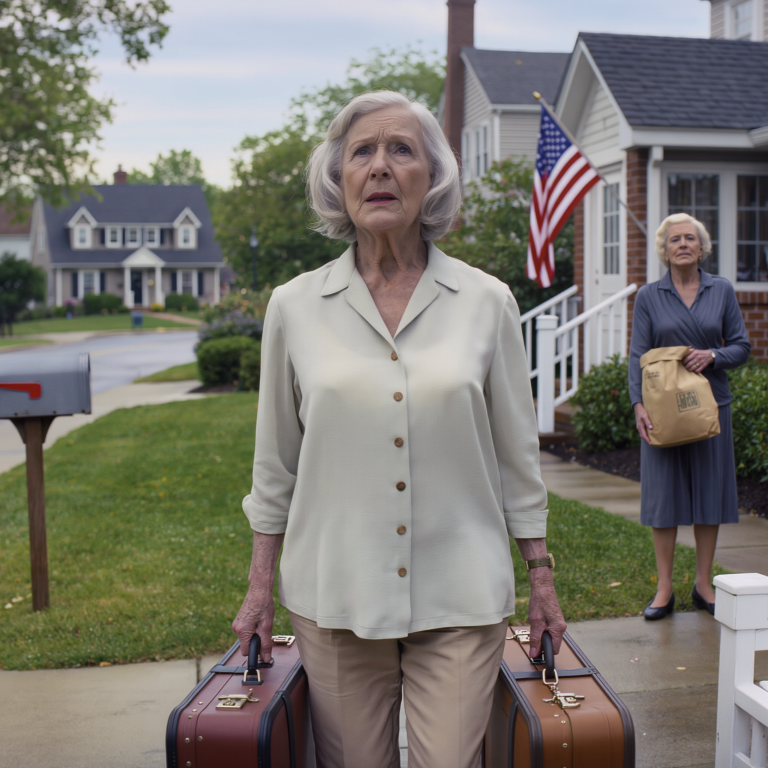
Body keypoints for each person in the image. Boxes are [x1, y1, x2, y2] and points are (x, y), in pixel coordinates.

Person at [231, 90, 566, 768]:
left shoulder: (486, 302)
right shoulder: (294, 307)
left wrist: (541, 578)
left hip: (462, 593)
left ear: (432, 178)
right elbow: (276, 465)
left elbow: (515, 457)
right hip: (334, 596)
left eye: (401, 150)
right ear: (339, 178)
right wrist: (259, 586)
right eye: (362, 152)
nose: (380, 167)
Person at [629, 213, 750, 621]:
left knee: (709, 498)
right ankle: (664, 589)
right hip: (662, 408)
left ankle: (702, 584)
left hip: (712, 408)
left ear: (702, 248)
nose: (683, 244)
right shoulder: (649, 295)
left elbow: (742, 346)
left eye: (690, 238)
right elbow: (637, 356)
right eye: (675, 239)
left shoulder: (722, 290)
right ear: (664, 249)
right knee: (663, 498)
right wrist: (638, 406)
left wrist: (713, 355)